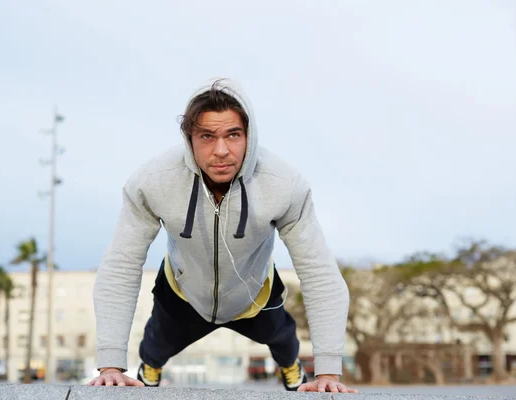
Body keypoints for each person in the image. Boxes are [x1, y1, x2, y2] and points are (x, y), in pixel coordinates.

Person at [89, 78, 356, 393]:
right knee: (154, 345)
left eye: (233, 135)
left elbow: (319, 272)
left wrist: (328, 373)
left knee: (284, 340)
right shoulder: (153, 182)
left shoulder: (284, 185)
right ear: (189, 138)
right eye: (207, 136)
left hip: (253, 293)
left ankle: (289, 366)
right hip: (184, 291)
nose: (221, 151)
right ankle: (151, 365)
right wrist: (110, 365)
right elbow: (121, 264)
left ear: (249, 136)